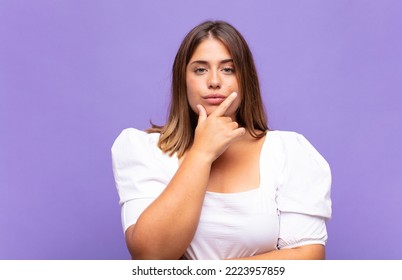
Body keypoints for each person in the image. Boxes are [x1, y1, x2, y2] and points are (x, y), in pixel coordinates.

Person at [111, 20, 332, 260]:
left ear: (245, 80)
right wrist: (201, 153)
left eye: (228, 69)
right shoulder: (144, 149)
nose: (214, 81)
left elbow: (308, 257)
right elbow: (150, 256)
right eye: (200, 69)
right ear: (182, 80)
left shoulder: (287, 151)